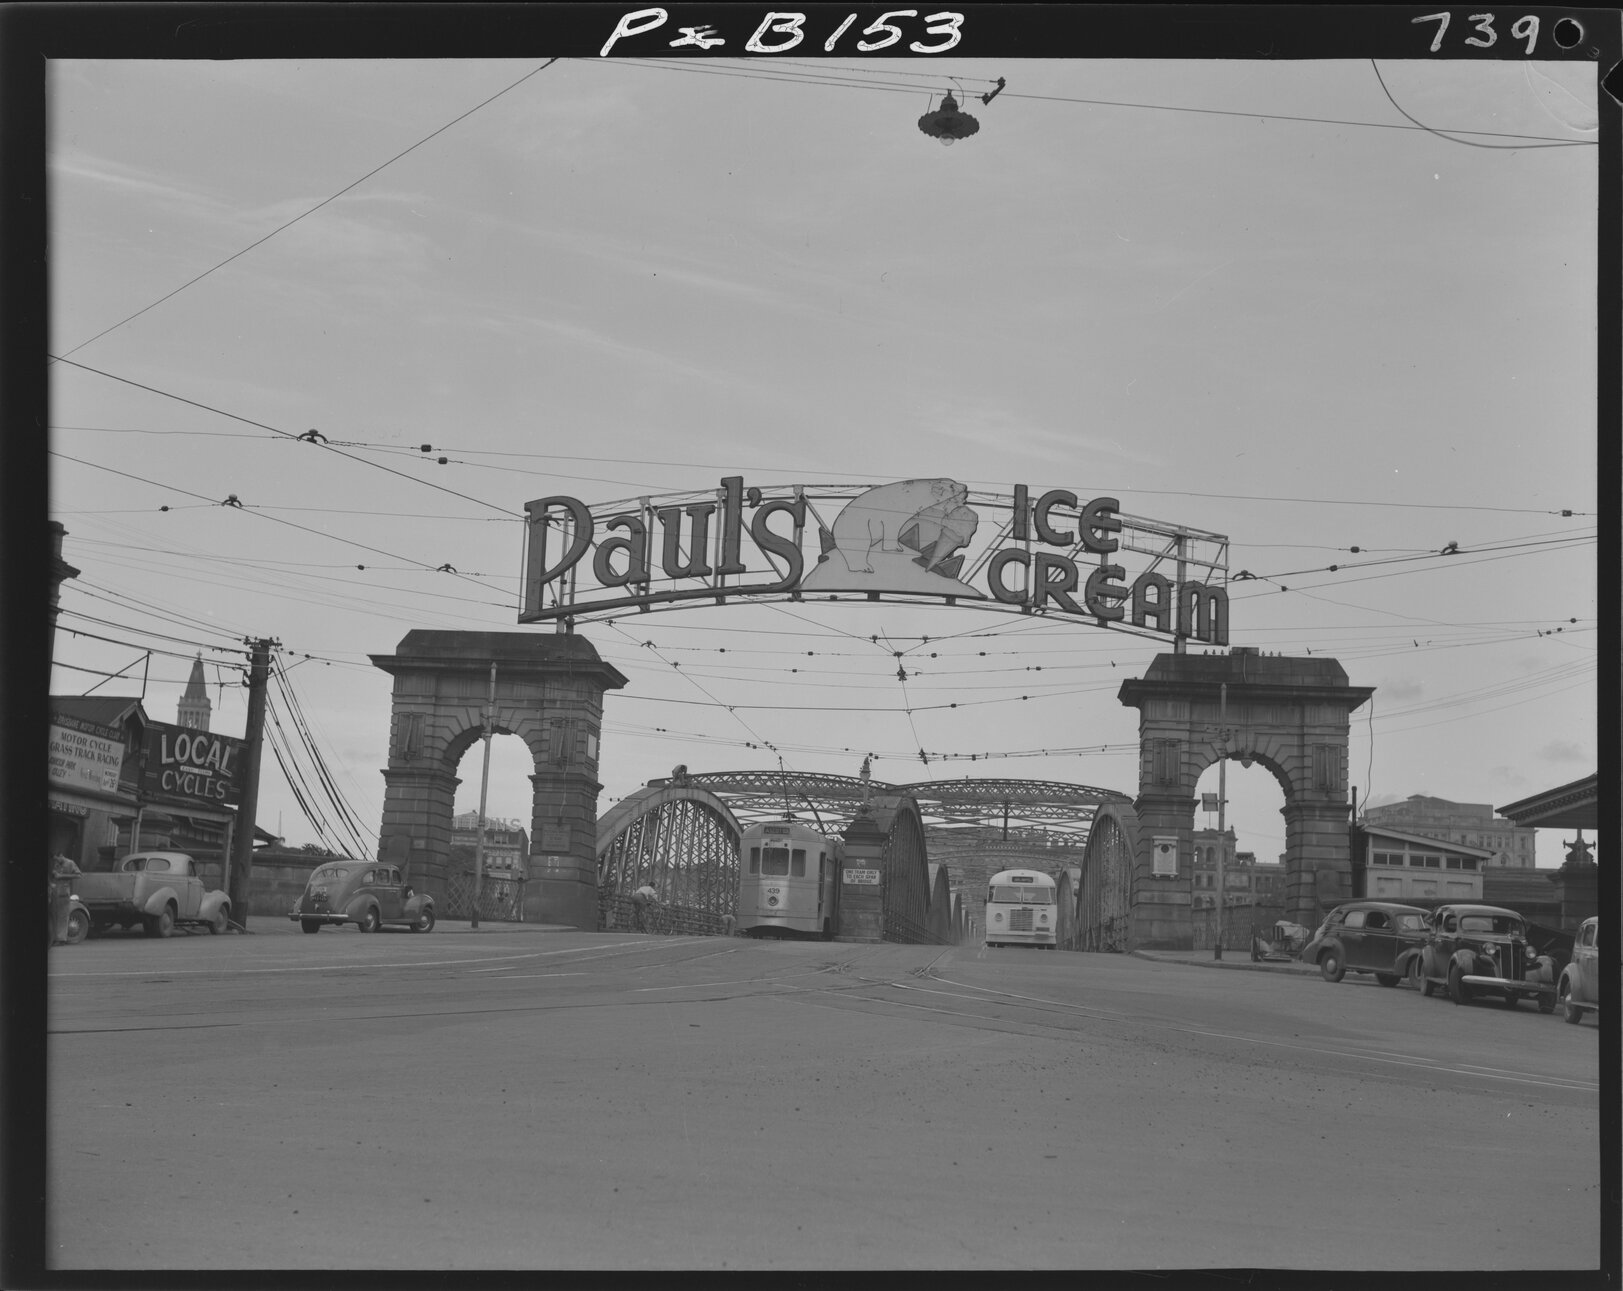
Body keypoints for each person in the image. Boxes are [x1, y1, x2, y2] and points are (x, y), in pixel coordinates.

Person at [49, 854, 80, 947]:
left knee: (63, 916)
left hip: (63, 893)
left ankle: (61, 939)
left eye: (57, 859)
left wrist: (61, 876)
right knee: (54, 916)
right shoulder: (55, 863)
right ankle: (55, 938)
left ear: (61, 855)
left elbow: (78, 875)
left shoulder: (70, 863)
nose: (56, 861)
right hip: (54, 892)